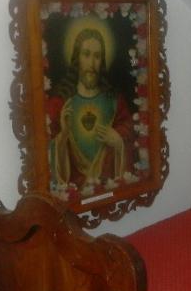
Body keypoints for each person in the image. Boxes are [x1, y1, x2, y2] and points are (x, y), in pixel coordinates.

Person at [46, 27, 133, 191]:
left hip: (108, 189)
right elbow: (45, 149)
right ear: (77, 58)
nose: (92, 64)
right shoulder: (59, 103)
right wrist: (63, 136)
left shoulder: (115, 101)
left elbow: (130, 132)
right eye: (86, 54)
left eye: (97, 56)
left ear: (102, 61)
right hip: (73, 194)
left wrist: (118, 141)